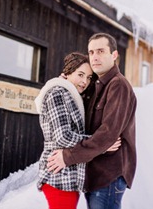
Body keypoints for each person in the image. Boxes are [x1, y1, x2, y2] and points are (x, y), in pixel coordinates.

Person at [47, 33, 137, 209]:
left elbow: (108, 133)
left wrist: (69, 156)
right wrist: (68, 83)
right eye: (91, 52)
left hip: (109, 174)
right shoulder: (95, 84)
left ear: (114, 55)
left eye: (101, 51)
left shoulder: (117, 85)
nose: (95, 57)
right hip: (94, 173)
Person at [35, 51, 120, 209]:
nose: (84, 82)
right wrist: (101, 143)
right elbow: (63, 136)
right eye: (80, 75)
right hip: (58, 175)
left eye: (88, 77)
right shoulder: (57, 93)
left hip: (67, 176)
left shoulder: (72, 96)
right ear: (67, 73)